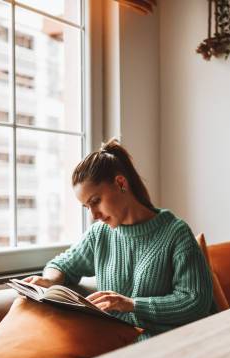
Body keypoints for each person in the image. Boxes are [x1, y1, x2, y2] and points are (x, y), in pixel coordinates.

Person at [24, 139, 216, 340]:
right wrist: (49, 279)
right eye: (86, 207)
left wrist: (131, 304)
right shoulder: (99, 234)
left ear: (120, 183)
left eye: (95, 201)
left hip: (176, 345)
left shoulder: (175, 233)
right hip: (121, 348)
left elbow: (195, 302)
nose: (93, 215)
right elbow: (61, 264)